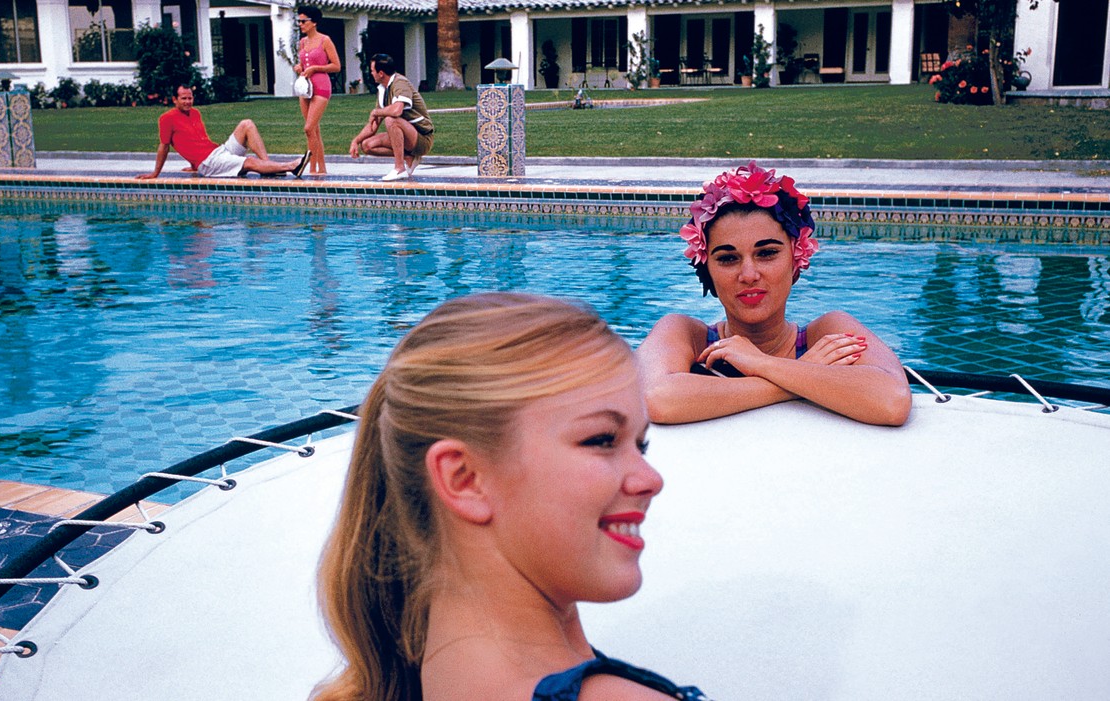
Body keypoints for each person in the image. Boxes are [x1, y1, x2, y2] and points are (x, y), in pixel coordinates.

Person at [314, 292, 709, 701]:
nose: (650, 479)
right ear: (464, 478)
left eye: (640, 446)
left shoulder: (422, 680)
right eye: (602, 440)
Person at [636, 162, 912, 426]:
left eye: (766, 253)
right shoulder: (687, 337)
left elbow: (893, 400)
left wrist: (761, 362)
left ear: (796, 257)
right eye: (728, 258)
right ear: (707, 267)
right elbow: (655, 399)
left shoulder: (826, 334)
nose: (748, 274)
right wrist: (797, 374)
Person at [137, 85, 310, 179]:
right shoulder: (167, 118)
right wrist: (155, 173)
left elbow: (194, 141)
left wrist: (191, 165)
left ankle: (268, 166)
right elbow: (164, 147)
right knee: (248, 161)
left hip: (217, 151)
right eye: (184, 98)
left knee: (246, 124)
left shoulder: (195, 113)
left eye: (190, 98)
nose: (188, 102)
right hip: (209, 162)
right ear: (174, 100)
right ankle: (291, 167)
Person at [348, 53, 434, 182]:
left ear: (381, 73)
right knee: (367, 145)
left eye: (372, 70)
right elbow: (373, 126)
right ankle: (409, 157)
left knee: (391, 119)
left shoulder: (400, 83)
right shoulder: (383, 90)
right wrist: (356, 141)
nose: (371, 73)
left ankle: (399, 168)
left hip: (422, 138)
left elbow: (396, 110)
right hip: (406, 136)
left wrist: (377, 112)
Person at [293, 6, 340, 176]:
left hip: (321, 86)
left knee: (308, 128)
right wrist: (300, 67)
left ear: (314, 22)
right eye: (299, 21)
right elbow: (304, 64)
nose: (300, 24)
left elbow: (336, 66)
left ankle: (312, 168)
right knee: (313, 130)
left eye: (304, 21)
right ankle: (321, 168)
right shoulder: (302, 42)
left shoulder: (325, 40)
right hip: (306, 87)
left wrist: (315, 68)